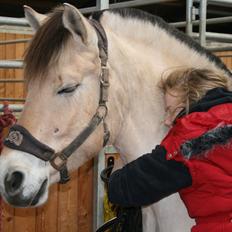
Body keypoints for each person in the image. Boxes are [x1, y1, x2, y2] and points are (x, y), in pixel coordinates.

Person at [108, 68, 232, 232]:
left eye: (170, 110)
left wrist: (115, 171)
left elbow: (124, 188)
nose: (167, 121)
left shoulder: (189, 138)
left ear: (190, 103)